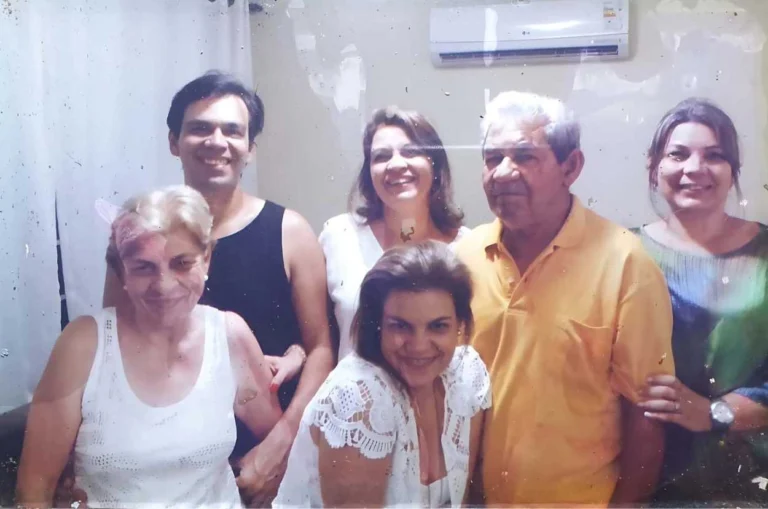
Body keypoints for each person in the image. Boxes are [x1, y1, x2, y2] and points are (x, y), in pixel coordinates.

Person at [102, 71, 335, 505]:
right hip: (169, 465)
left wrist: (282, 445)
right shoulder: (137, 237)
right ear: (174, 142)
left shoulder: (290, 231)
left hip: (272, 456)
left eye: (232, 130)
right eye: (200, 128)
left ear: (250, 147)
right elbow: (114, 348)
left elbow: (321, 347)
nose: (217, 141)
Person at [455, 90, 675, 506]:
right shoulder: (465, 257)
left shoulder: (625, 262)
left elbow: (647, 413)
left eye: (524, 156)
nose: (503, 173)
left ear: (570, 167)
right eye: (492, 158)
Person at [16, 186, 283, 508]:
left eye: (182, 263)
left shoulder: (229, 334)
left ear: (206, 259)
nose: (164, 285)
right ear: (121, 271)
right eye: (144, 267)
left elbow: (280, 446)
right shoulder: (84, 345)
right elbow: (35, 490)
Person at [273, 240, 491, 507]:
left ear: (460, 324)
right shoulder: (359, 399)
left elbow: (462, 497)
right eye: (401, 326)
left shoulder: (467, 375)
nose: (419, 346)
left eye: (438, 326)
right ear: (377, 326)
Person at [634, 98, 768, 505]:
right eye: (678, 154)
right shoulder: (623, 254)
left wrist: (712, 413)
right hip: (649, 478)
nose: (695, 168)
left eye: (714, 156)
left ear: (733, 171)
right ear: (654, 167)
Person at [320, 106, 468, 360]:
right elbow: (318, 340)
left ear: (435, 165)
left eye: (411, 152)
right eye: (381, 156)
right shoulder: (339, 235)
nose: (396, 164)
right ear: (369, 172)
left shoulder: (468, 247)